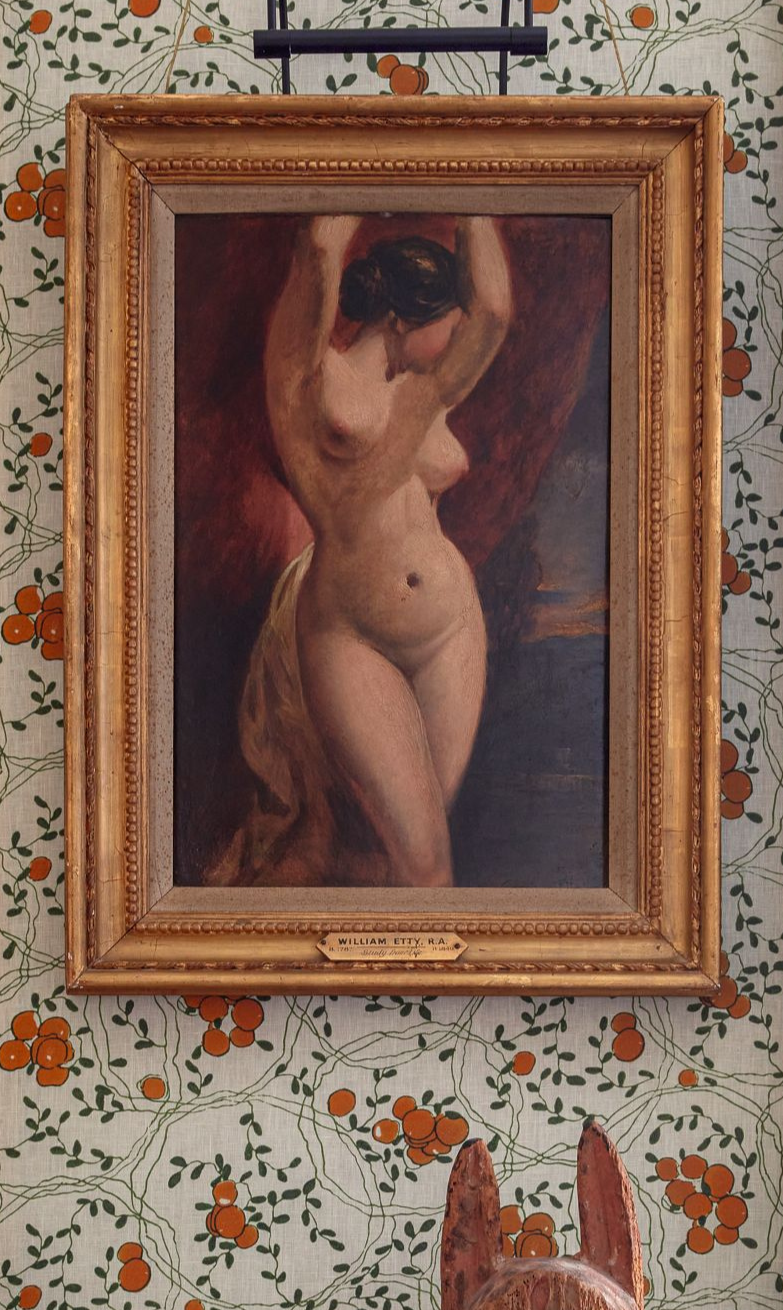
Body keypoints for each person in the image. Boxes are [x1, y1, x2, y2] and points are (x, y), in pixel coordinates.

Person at [214, 216, 513, 888]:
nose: (457, 337)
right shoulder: (307, 378)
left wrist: (477, 202)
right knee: (425, 863)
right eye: (449, 321)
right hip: (353, 636)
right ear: (405, 319)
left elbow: (494, 310)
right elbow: (318, 246)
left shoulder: (426, 393)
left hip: (451, 629)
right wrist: (363, 147)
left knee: (404, 855)